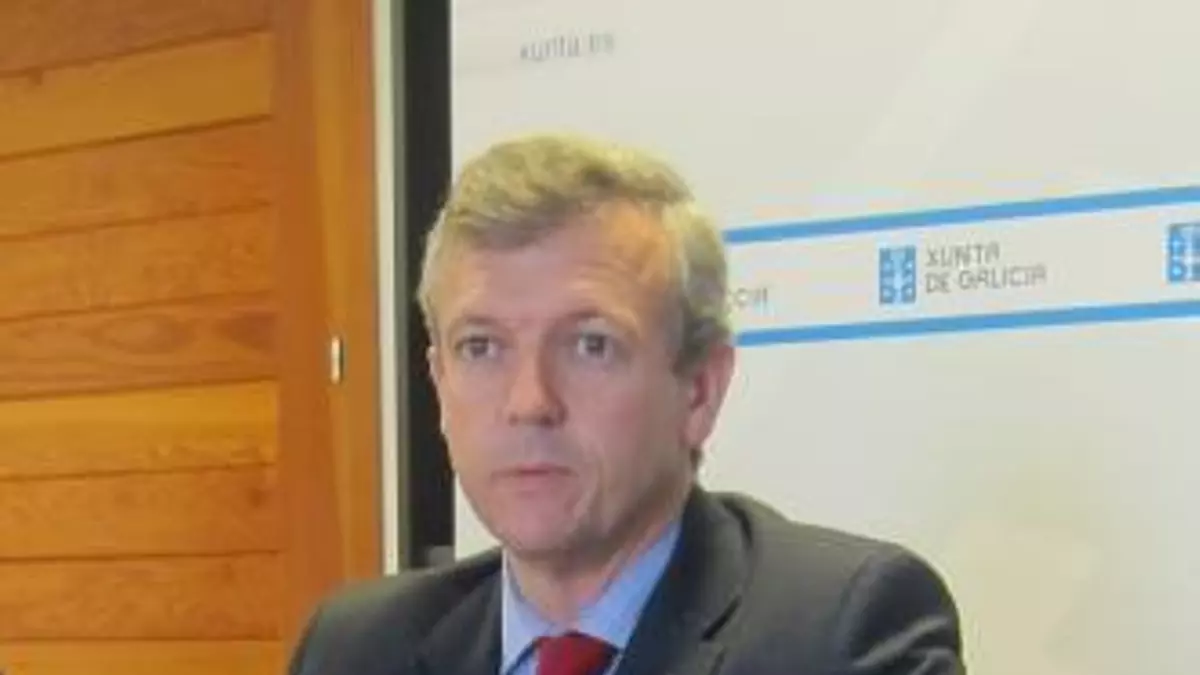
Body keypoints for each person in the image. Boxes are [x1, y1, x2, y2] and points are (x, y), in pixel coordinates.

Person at [286, 133, 966, 675]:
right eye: (481, 347)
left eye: (591, 345)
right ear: (438, 384)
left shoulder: (842, 634)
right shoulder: (356, 649)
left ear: (699, 390)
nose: (529, 402)